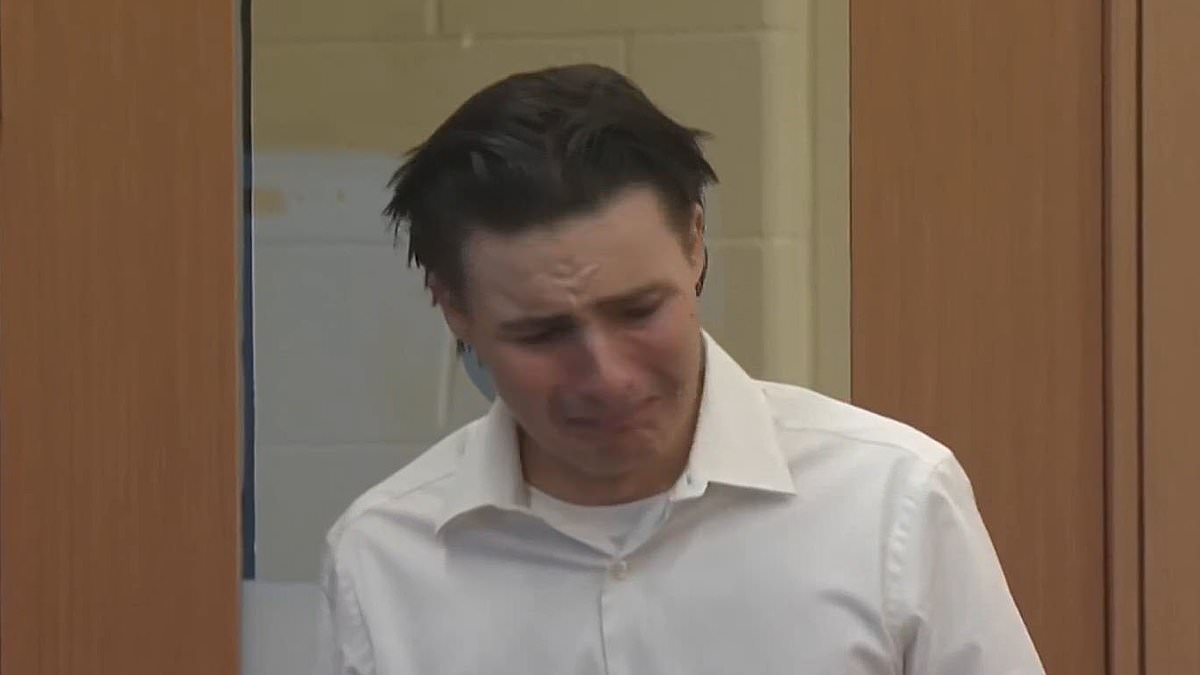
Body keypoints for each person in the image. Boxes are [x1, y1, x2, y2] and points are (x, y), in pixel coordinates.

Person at [316, 63, 1045, 675]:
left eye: (639, 311)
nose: (607, 377)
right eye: (541, 333)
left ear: (695, 243)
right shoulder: (381, 560)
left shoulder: (891, 500)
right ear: (452, 307)